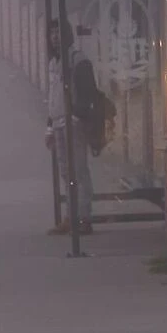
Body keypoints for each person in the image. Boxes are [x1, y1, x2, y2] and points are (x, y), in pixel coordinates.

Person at [45, 17, 97, 235]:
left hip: (73, 124)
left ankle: (84, 218)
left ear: (67, 35)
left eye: (59, 32)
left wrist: (77, 116)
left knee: (79, 171)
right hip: (58, 122)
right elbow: (53, 97)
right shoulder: (54, 63)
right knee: (67, 173)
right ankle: (71, 216)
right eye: (52, 33)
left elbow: (89, 92)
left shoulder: (78, 60)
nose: (55, 37)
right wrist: (49, 127)